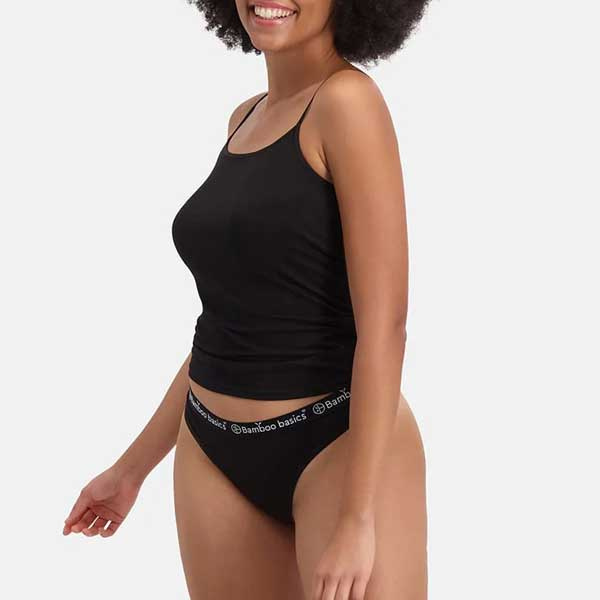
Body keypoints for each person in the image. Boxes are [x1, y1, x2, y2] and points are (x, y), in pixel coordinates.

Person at [63, 1, 430, 598]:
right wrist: (131, 469)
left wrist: (359, 517)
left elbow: (385, 324)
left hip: (336, 443)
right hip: (211, 451)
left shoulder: (347, 103)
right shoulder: (244, 118)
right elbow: (229, 324)